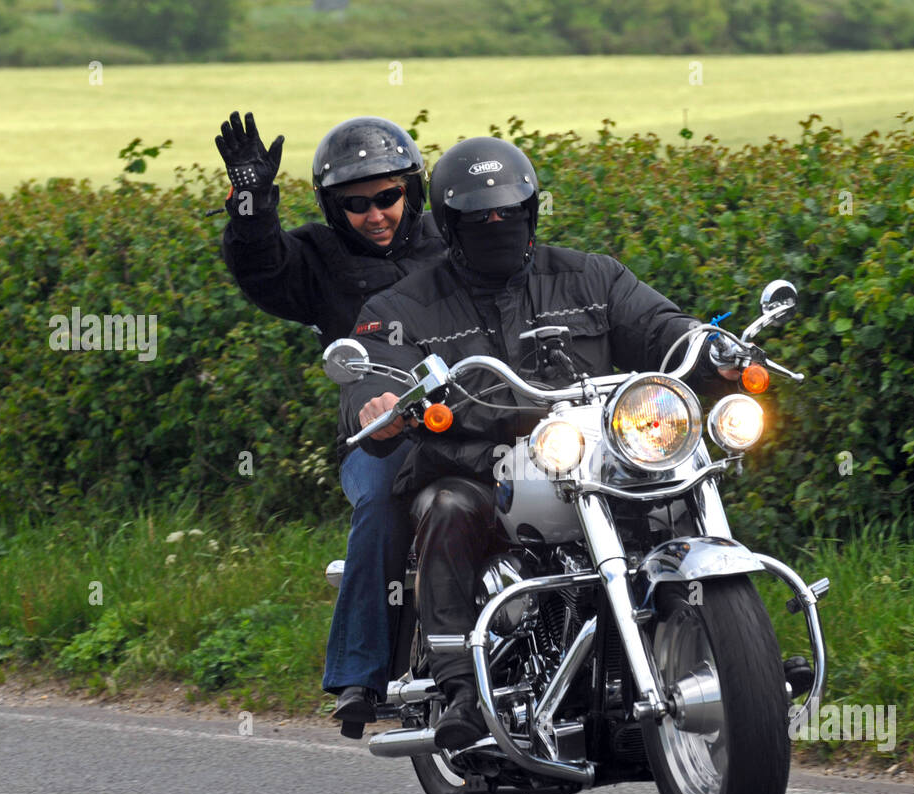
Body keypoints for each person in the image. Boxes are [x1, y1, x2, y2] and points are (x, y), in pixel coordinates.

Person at [343, 137, 738, 750]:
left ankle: (730, 653)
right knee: (446, 507)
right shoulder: (404, 306)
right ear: (451, 228)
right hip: (477, 466)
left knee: (681, 484)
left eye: (509, 214)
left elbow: (659, 326)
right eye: (480, 220)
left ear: (531, 213)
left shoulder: (592, 275)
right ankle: (458, 689)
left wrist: (710, 346)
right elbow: (375, 370)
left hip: (597, 460)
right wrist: (380, 404)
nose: (496, 227)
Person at [215, 111, 447, 738]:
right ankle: (360, 675)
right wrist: (252, 206)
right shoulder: (316, 258)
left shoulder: (453, 239)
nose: (375, 214)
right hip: (382, 428)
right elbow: (260, 268)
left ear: (413, 190)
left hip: (482, 414)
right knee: (380, 500)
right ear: (331, 207)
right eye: (355, 204)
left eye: (388, 196)